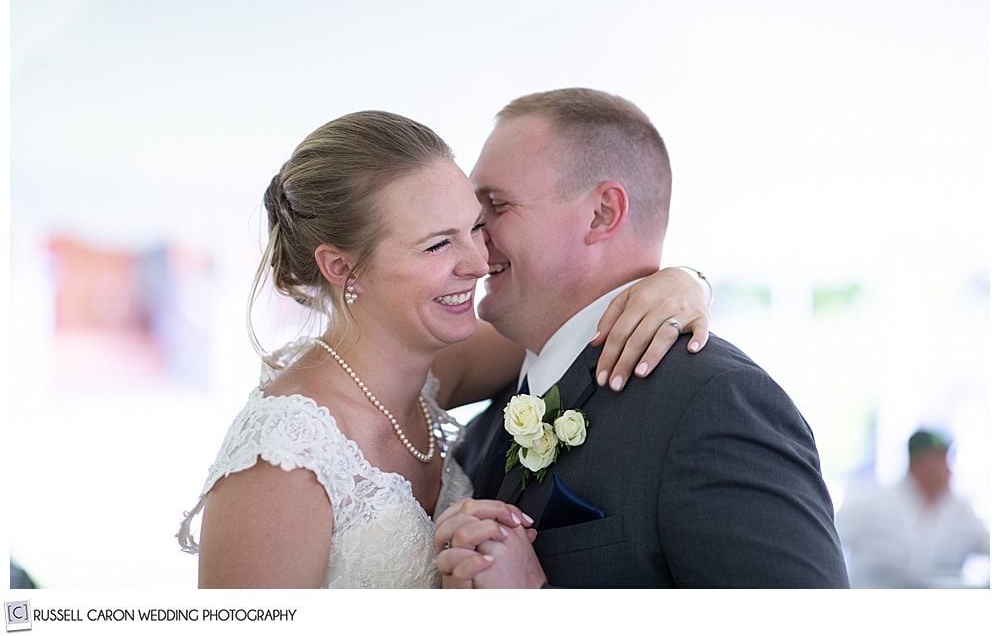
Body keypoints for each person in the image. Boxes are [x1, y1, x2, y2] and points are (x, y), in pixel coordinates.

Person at [176, 110, 712, 588]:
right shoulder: (285, 458)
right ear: (341, 267)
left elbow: (571, 331)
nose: (478, 263)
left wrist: (683, 281)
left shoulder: (432, 370)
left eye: (475, 227)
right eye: (438, 244)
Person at [435, 87, 850, 588]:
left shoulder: (713, 403)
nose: (474, 235)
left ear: (602, 214)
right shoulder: (492, 417)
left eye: (495, 206)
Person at [836, 429, 990, 587]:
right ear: (918, 463)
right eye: (939, 459)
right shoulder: (870, 504)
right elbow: (826, 542)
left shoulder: (961, 510)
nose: (948, 469)